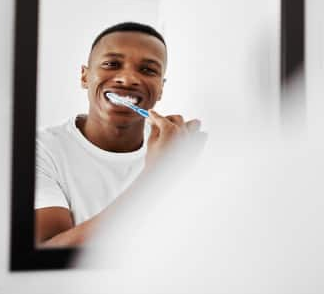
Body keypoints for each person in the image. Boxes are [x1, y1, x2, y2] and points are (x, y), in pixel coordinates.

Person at [34, 22, 203, 247]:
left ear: (161, 88)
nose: (128, 79)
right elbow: (47, 252)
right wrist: (157, 176)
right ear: (85, 77)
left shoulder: (180, 148)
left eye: (148, 70)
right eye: (111, 64)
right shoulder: (40, 149)